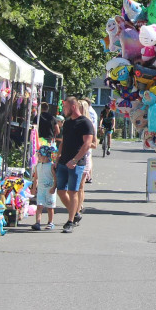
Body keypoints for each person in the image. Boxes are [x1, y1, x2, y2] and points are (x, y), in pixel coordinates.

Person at [56, 95, 94, 233]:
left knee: (73, 192)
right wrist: (57, 158)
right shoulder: (67, 123)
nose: (63, 110)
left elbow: (87, 144)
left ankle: (70, 221)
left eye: (65, 107)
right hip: (63, 160)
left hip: (76, 163)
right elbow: (64, 141)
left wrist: (75, 160)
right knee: (60, 190)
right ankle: (76, 212)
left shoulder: (85, 123)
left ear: (73, 107)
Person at [30, 145, 57, 230]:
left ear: (45, 156)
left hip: (50, 190)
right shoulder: (38, 166)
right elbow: (36, 178)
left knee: (50, 207)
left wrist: (54, 187)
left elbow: (55, 178)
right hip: (41, 190)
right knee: (39, 206)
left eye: (39, 155)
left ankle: (50, 222)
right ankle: (38, 222)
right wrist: (34, 188)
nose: (38, 157)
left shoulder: (51, 166)